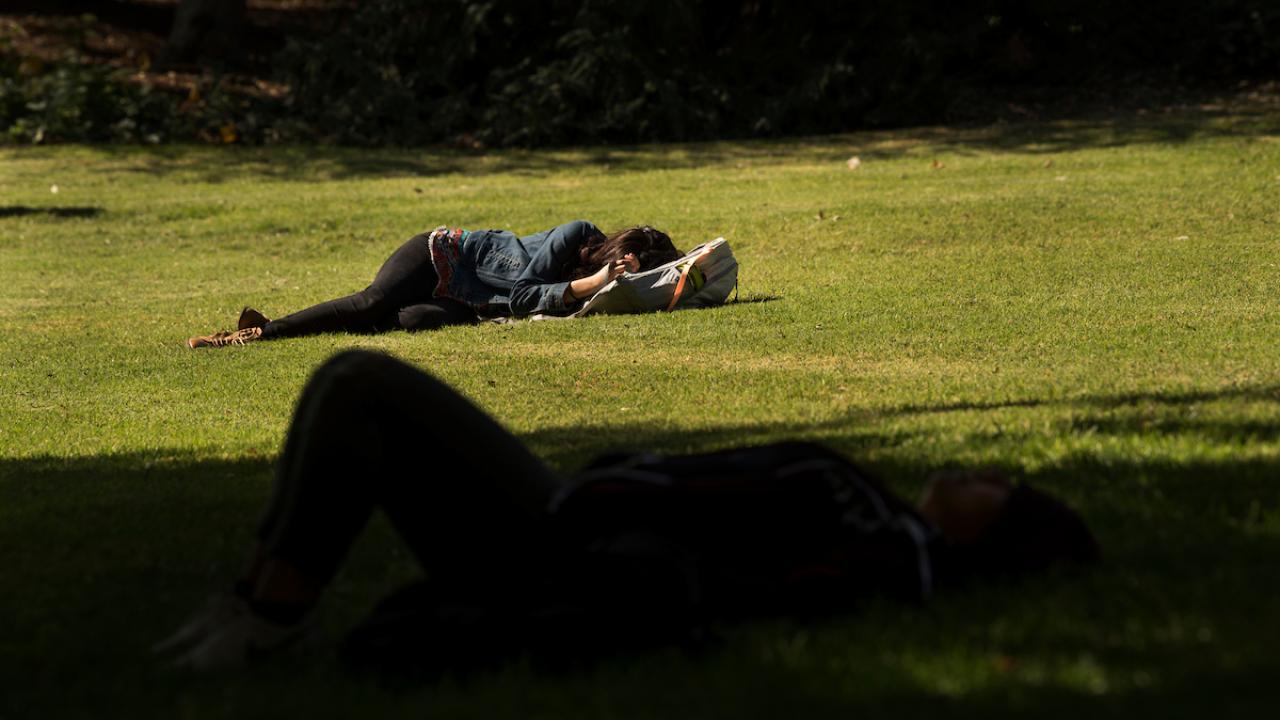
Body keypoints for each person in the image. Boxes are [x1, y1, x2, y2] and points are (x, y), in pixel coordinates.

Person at [155, 351, 1101, 671]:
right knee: (350, 385)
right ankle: (253, 603)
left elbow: (750, 579)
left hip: (569, 539)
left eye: (998, 490)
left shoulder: (880, 536)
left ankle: (268, 618)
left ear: (989, 532)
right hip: (581, 524)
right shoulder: (879, 521)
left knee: (362, 384)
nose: (983, 476)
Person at [186, 221, 682, 348]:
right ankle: (258, 333)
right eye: (626, 267)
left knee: (414, 322)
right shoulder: (575, 236)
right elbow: (524, 297)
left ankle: (280, 327)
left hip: (469, 302)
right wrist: (594, 282)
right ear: (615, 253)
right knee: (370, 303)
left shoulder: (602, 286)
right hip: (439, 255)